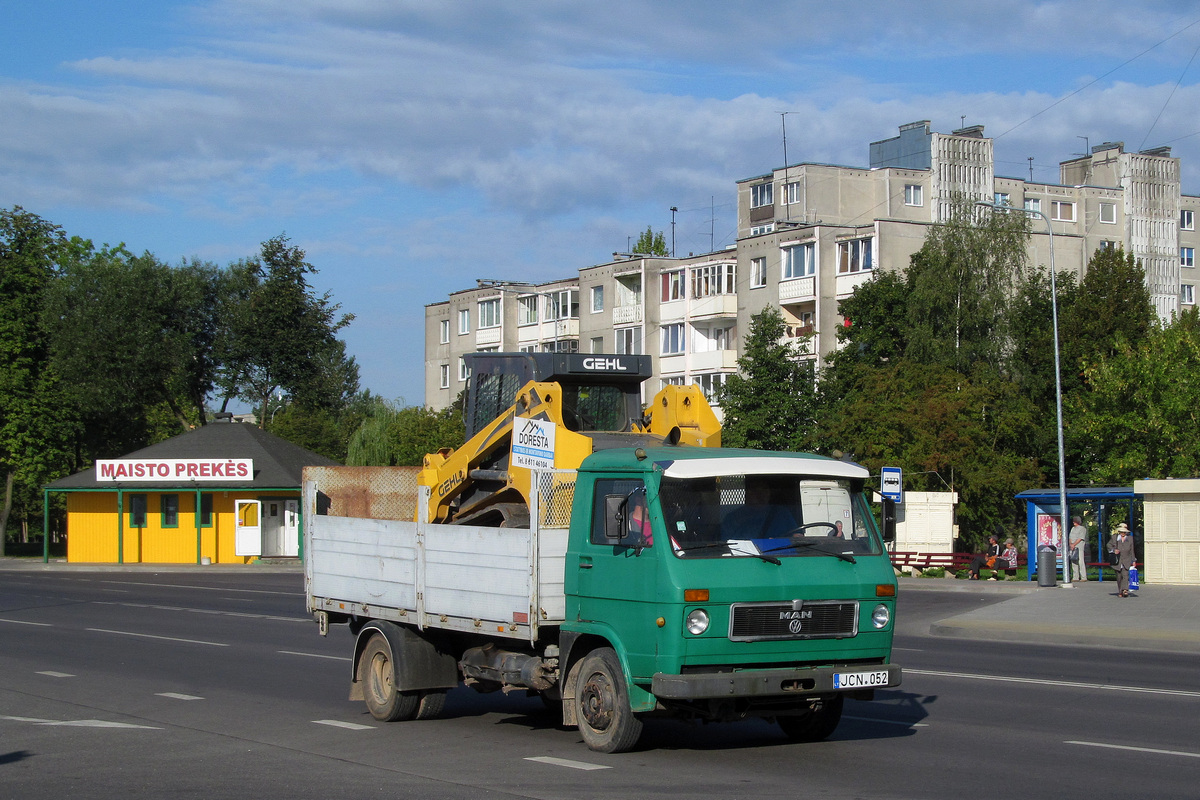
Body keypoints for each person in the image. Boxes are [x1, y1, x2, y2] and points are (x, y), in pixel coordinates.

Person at [1107, 522, 1136, 597]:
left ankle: (1125, 590)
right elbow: (1108, 545)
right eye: (1122, 532)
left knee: (1125, 575)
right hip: (1117, 561)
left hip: (1126, 560)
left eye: (1124, 532)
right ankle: (1120, 591)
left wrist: (1133, 560)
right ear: (1119, 531)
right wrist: (1114, 550)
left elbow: (1132, 550)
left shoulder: (1130, 539)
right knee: (1119, 577)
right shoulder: (1114, 538)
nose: (1123, 533)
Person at [1069, 515, 1087, 582]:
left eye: (1075, 521)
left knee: (1080, 561)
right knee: (1073, 561)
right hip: (1072, 547)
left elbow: (1080, 538)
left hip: (1079, 547)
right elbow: (1070, 537)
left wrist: (1074, 544)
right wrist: (1071, 544)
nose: (1074, 522)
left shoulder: (1082, 529)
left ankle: (1083, 577)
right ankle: (1075, 577)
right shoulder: (1073, 528)